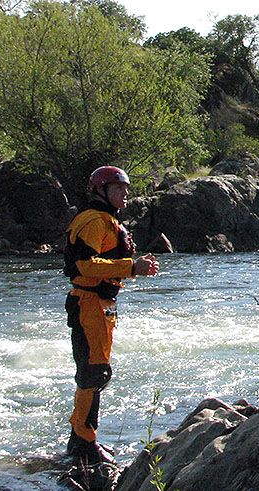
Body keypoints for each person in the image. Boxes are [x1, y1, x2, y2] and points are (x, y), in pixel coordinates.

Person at [64, 166, 159, 466]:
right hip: (88, 304)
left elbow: (103, 264)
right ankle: (83, 442)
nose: (125, 193)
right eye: (119, 188)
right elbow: (84, 265)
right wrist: (130, 267)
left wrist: (133, 268)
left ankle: (81, 438)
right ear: (101, 190)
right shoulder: (94, 220)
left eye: (126, 188)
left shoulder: (106, 220)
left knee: (97, 372)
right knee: (94, 372)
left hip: (100, 304)